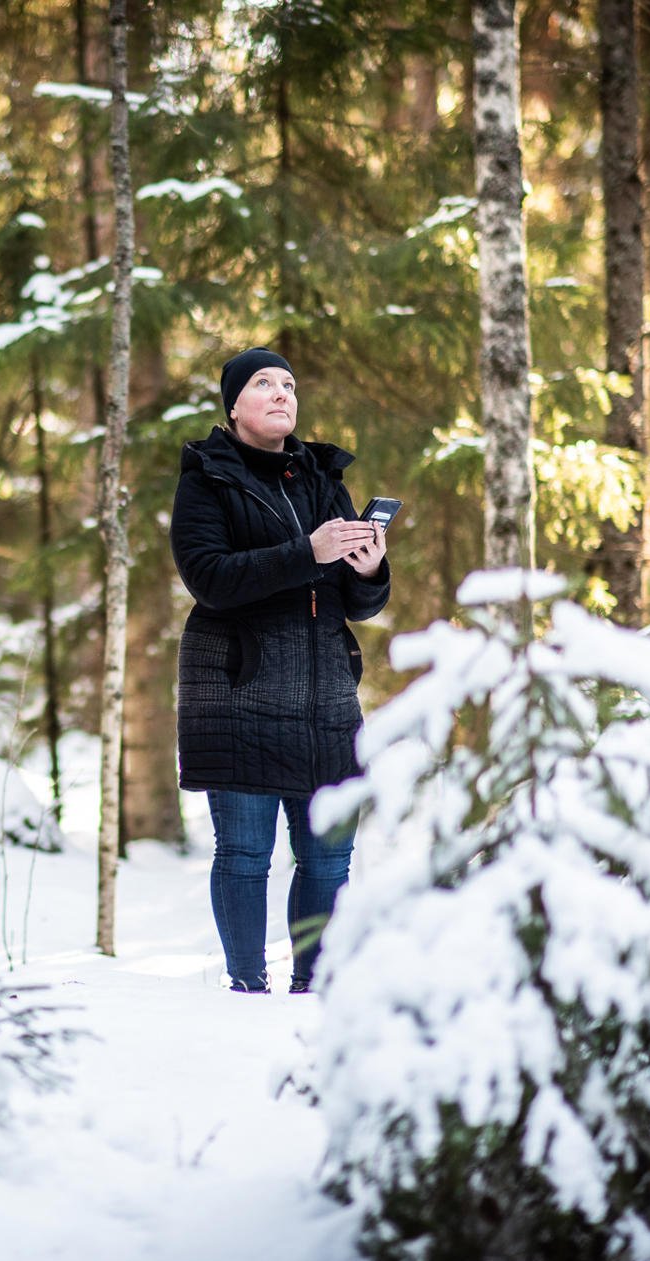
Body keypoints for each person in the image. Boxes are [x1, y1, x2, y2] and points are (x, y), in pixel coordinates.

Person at [170, 347, 390, 994]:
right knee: (244, 854)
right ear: (234, 405)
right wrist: (307, 552)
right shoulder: (207, 477)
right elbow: (209, 579)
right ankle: (246, 987)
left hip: (325, 691)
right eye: (263, 383)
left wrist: (369, 569)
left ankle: (311, 989)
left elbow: (360, 604)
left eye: (289, 384)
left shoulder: (323, 479)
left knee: (330, 856)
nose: (281, 393)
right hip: (238, 686)